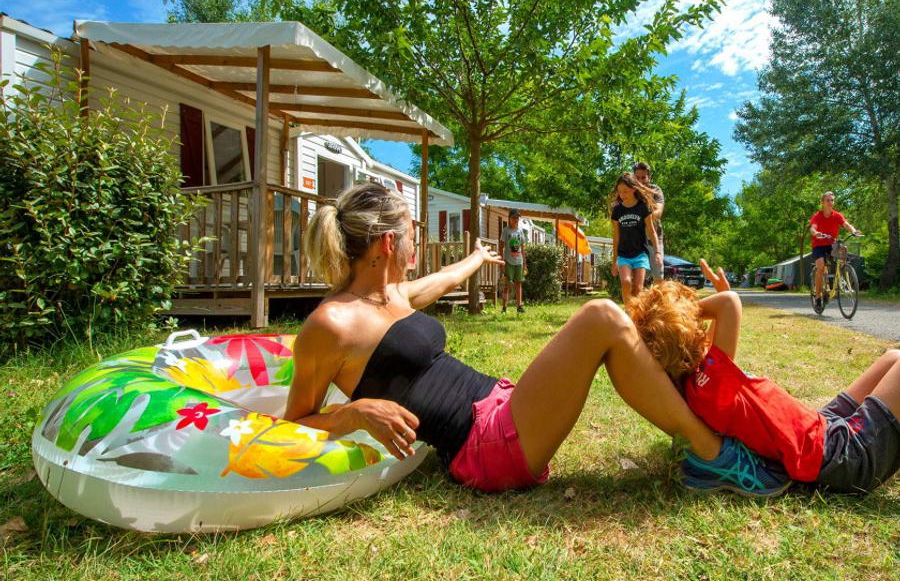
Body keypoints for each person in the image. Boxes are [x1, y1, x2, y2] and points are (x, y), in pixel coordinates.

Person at [283, 182, 788, 496]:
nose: (416, 246)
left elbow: (438, 282)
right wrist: (355, 412)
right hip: (483, 446)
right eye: (412, 236)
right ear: (388, 242)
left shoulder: (390, 296)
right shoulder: (330, 325)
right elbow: (292, 424)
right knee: (601, 317)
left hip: (501, 407)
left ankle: (707, 423)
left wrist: (476, 259)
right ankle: (712, 455)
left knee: (613, 325)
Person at [625, 261, 899, 494]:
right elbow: (729, 303)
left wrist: (677, 320)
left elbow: (718, 315)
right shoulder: (710, 383)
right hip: (840, 457)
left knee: (892, 357)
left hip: (823, 427)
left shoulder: (699, 384)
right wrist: (678, 313)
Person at [610, 173, 663, 304]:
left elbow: (651, 231)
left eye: (625, 191)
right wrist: (614, 261)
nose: (622, 195)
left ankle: (635, 311)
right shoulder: (617, 210)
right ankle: (628, 310)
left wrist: (657, 252)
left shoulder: (643, 207)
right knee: (626, 282)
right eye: (620, 192)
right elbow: (616, 236)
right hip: (623, 255)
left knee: (638, 288)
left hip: (640, 254)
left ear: (634, 188)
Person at [809, 191, 860, 311]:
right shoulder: (818, 216)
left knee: (843, 248)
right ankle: (818, 297)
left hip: (831, 244)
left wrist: (853, 231)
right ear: (822, 202)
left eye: (832, 200)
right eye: (828, 200)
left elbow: (846, 224)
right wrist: (816, 233)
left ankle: (842, 272)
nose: (830, 202)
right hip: (819, 245)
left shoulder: (837, 215)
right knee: (821, 267)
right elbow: (812, 228)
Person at [633, 162, 665, 282]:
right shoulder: (630, 191)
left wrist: (641, 218)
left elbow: (658, 212)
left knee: (658, 275)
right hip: (636, 241)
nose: (640, 181)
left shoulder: (655, 190)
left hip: (654, 239)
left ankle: (659, 294)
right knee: (638, 278)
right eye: (637, 177)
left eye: (643, 177)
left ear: (649, 177)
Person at [499, 209, 527, 314]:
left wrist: (524, 264)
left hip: (519, 262)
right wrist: (502, 262)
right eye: (514, 217)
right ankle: (504, 307)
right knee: (507, 284)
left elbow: (523, 248)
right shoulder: (506, 231)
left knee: (518, 283)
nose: (516, 220)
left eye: (517, 218)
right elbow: (501, 247)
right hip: (508, 261)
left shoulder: (520, 231)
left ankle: (519, 306)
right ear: (509, 218)